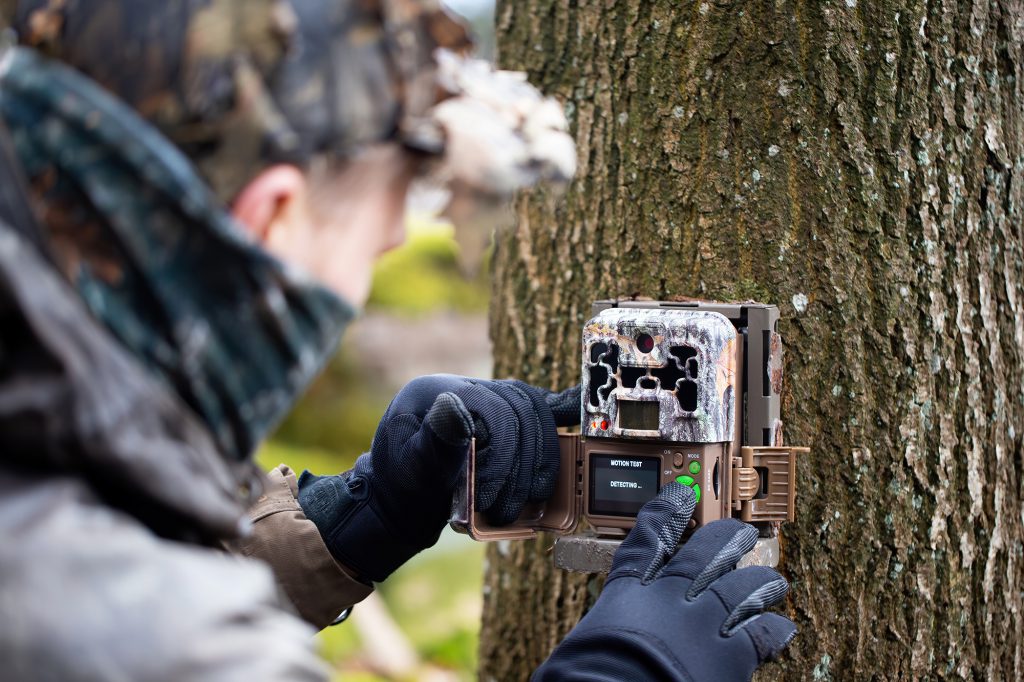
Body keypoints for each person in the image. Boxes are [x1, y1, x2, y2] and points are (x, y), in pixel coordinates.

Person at [0, 1, 796, 680]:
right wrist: (628, 669)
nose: (368, 272)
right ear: (269, 222)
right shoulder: (147, 639)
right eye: (373, 242)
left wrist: (351, 517)